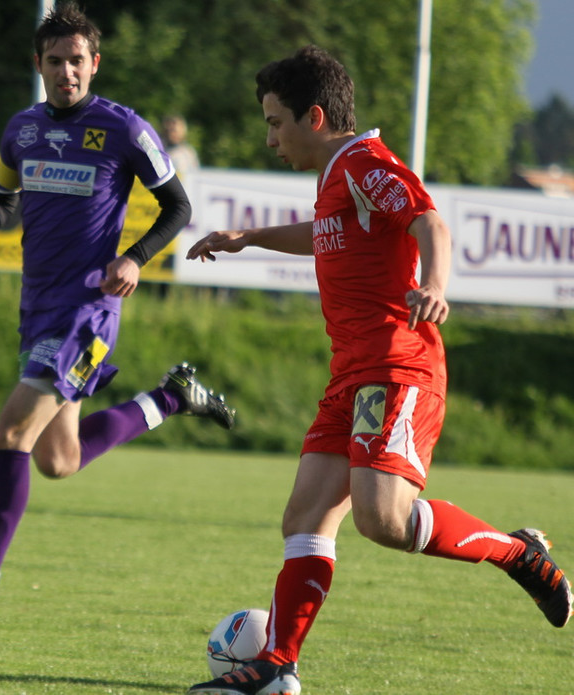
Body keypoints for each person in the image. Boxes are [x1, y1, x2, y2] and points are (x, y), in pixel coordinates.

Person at [184, 46, 572, 695]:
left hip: (396, 366)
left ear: (314, 117)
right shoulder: (336, 176)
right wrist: (248, 238)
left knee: (383, 519)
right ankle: (277, 665)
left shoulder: (365, 162)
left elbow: (429, 222)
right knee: (304, 518)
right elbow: (324, 233)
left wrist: (436, 285)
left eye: (276, 123)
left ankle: (516, 552)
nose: (270, 138)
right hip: (351, 374)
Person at [0, 2, 235, 610]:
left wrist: (134, 258)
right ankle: (172, 398)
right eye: (55, 60)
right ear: (38, 64)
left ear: (95, 64)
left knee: (12, 430)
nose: (67, 71)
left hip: (88, 312)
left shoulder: (125, 129)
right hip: (37, 308)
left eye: (76, 60)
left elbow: (177, 206)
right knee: (58, 459)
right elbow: (3, 193)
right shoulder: (22, 129)